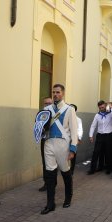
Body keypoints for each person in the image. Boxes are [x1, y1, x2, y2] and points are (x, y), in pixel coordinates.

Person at [41, 84, 78, 214]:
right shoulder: (48, 109)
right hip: (49, 143)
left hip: (63, 144)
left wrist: (73, 149)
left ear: (62, 94)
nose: (55, 94)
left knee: (65, 172)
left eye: (58, 92)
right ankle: (50, 204)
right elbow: (41, 126)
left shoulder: (69, 109)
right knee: (50, 174)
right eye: (53, 92)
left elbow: (74, 131)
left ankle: (68, 197)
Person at [87, 101, 112, 175]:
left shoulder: (111, 113)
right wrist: (90, 135)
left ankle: (108, 168)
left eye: (103, 107)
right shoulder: (97, 115)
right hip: (100, 135)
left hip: (109, 135)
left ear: (105, 106)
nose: (101, 109)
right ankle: (93, 169)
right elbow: (93, 125)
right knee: (96, 152)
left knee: (108, 152)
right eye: (100, 107)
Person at [38, 97, 53, 192]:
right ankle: (46, 183)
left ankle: (53, 183)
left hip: (54, 140)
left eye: (49, 103)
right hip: (44, 140)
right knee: (45, 162)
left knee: (53, 163)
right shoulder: (41, 114)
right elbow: (37, 126)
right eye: (45, 103)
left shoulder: (56, 114)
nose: (47, 105)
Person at [70, 104, 83, 176]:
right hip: (65, 139)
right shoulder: (65, 117)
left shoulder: (78, 119)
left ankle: (71, 171)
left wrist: (79, 138)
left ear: (75, 111)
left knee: (73, 155)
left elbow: (80, 129)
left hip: (74, 140)